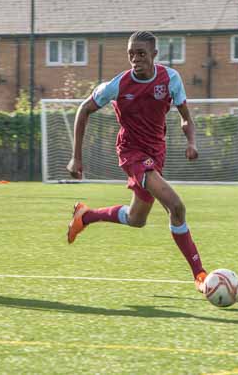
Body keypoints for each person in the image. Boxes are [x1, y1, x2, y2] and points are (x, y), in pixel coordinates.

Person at [65, 31, 208, 294]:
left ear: (154, 55)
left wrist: (191, 142)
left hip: (157, 153)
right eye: (131, 53)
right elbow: (84, 109)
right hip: (131, 153)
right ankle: (199, 274)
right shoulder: (118, 84)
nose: (135, 59)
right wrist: (76, 156)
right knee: (176, 206)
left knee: (136, 219)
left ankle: (86, 216)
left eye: (141, 53)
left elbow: (185, 117)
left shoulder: (170, 79)